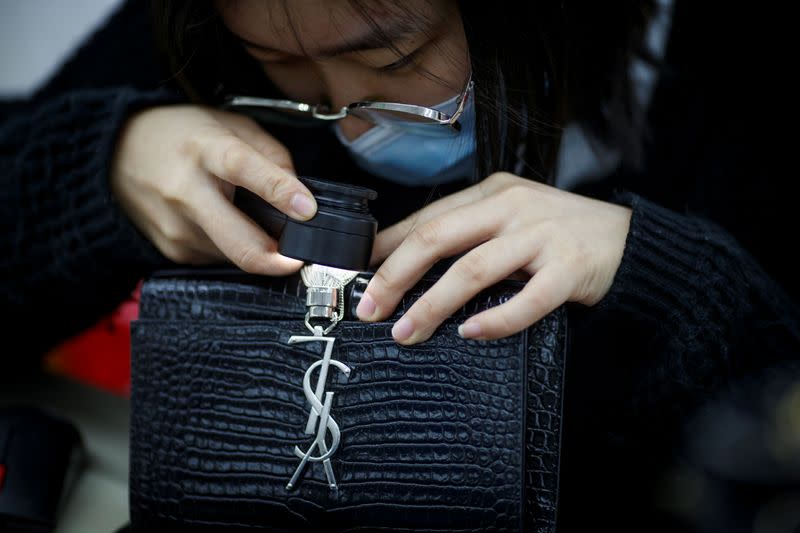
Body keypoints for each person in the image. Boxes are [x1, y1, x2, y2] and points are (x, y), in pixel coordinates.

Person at [1, 0, 798, 530]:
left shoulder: (739, 79)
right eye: (279, 64)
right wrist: (96, 168)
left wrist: (666, 279)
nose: (345, 126)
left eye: (392, 63)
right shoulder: (213, 30)